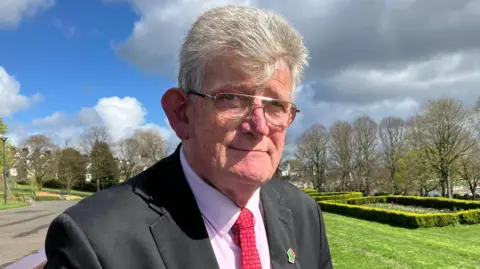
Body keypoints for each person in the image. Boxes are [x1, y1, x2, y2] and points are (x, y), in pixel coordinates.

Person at [44, 5, 333, 269]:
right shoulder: (94, 240)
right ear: (182, 113)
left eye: (275, 105)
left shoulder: (304, 214)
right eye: (231, 98)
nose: (259, 126)